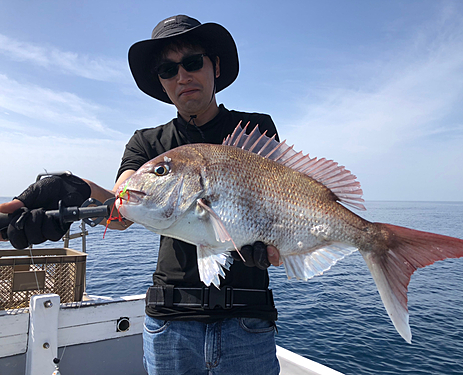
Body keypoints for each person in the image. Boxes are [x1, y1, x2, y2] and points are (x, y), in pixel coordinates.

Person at [0, 15, 281, 375]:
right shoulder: (146, 144)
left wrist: (275, 240)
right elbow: (123, 205)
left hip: (249, 320)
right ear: (161, 83)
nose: (182, 76)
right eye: (168, 69)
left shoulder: (254, 129)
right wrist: (77, 191)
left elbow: (280, 202)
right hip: (170, 323)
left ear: (216, 66)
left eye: (193, 62)